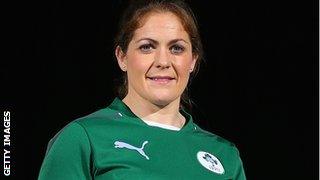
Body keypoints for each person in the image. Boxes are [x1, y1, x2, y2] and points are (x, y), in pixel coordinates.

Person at [38, 0, 246, 179]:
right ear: (122, 57)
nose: (163, 61)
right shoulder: (83, 138)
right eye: (147, 47)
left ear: (192, 60)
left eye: (177, 48)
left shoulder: (224, 154)